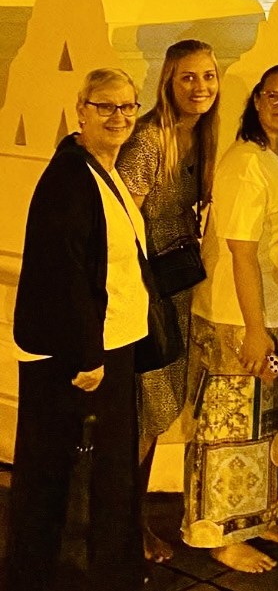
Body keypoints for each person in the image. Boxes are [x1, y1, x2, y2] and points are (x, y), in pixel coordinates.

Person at [7, 68, 148, 591]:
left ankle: (98, 572)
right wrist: (89, 355)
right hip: (77, 352)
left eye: (128, 107)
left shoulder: (103, 169)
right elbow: (63, 271)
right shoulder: (70, 176)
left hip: (109, 341)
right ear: (81, 110)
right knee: (57, 471)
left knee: (103, 471)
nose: (119, 117)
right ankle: (50, 576)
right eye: (106, 106)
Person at [183, 64, 278, 573]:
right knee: (227, 428)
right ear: (257, 100)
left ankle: (255, 517)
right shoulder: (245, 163)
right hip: (237, 316)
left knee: (266, 425)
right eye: (274, 95)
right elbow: (241, 253)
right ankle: (218, 534)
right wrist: (255, 330)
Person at [115, 39, 220, 563]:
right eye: (188, 77)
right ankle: (124, 529)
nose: (200, 87)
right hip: (148, 291)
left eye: (208, 76)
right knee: (146, 409)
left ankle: (124, 525)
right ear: (168, 81)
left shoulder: (201, 136)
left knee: (157, 409)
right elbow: (122, 223)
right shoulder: (149, 141)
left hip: (178, 289)